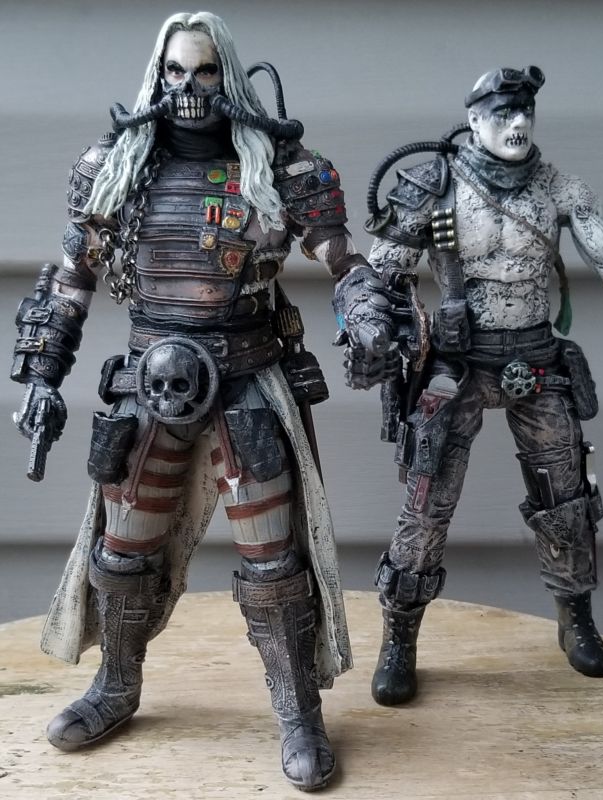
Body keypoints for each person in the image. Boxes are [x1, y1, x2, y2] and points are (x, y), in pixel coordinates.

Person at [10, 12, 366, 791]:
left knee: (274, 561)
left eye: (205, 71)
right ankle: (117, 685)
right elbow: (71, 279)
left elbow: (343, 261)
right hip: (150, 386)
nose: (189, 87)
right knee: (122, 550)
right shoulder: (116, 167)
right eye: (175, 72)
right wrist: (42, 376)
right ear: (157, 76)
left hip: (246, 381)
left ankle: (298, 709)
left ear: (227, 75)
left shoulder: (278, 167)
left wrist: (370, 316)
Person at [335, 66, 603, 706]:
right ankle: (400, 637)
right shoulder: (432, 184)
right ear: (474, 119)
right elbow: (376, 275)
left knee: (566, 499)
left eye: (525, 112)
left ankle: (576, 619)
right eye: (502, 113)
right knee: (427, 504)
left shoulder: (558, 187)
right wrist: (369, 326)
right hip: (457, 368)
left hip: (536, 360)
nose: (517, 124)